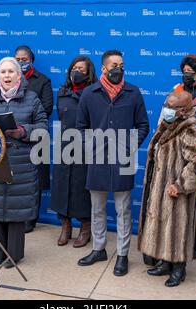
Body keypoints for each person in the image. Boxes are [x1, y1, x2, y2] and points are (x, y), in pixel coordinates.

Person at [76, 49, 150, 276]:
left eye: (122, 64)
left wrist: (128, 147)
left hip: (123, 161)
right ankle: (98, 249)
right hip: (97, 160)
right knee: (97, 209)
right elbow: (80, 127)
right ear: (104, 68)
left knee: (123, 210)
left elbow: (143, 126)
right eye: (114, 65)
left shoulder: (133, 93)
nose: (119, 68)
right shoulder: (89, 93)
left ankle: (122, 255)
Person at [142, 54, 196, 267]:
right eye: (184, 71)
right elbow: (163, 120)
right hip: (172, 154)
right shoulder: (176, 91)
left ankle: (194, 245)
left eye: (190, 72)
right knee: (171, 204)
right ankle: (167, 250)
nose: (186, 76)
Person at [0, 57, 48, 268]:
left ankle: (14, 255)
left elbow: (43, 128)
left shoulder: (32, 99)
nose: (6, 76)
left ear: (19, 75)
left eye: (11, 72)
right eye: (3, 72)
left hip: (21, 162)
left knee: (17, 210)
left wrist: (23, 131)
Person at [137, 91, 196, 287]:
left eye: (172, 107)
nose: (167, 109)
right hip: (160, 188)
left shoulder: (189, 130)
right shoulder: (167, 125)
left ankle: (179, 268)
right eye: (166, 104)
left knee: (177, 229)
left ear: (184, 111)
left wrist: (180, 185)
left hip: (176, 191)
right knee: (163, 225)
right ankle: (165, 262)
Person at [50, 56, 97, 247]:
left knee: (81, 189)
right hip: (64, 147)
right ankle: (65, 226)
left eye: (81, 69)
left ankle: (85, 228)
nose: (76, 72)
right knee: (62, 187)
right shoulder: (62, 93)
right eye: (74, 68)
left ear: (88, 73)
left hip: (85, 148)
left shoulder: (93, 94)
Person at [15, 45, 54, 233]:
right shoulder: (8, 80)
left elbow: (46, 109)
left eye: (24, 59)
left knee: (34, 180)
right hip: (14, 138)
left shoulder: (43, 81)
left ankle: (31, 218)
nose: (21, 62)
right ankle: (17, 215)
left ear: (31, 60)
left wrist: (22, 123)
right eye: (18, 59)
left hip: (35, 137)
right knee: (17, 179)